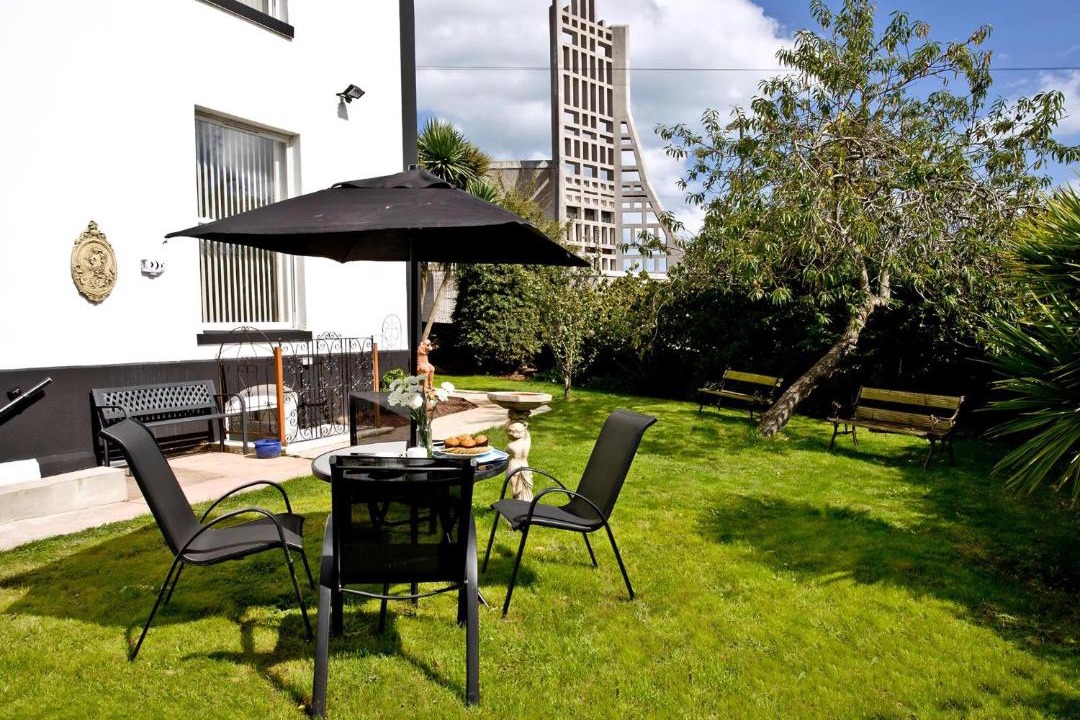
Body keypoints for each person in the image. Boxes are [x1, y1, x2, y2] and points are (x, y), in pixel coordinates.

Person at [506, 421, 533, 501]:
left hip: (514, 465)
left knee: (514, 486)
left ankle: (516, 499)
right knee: (526, 486)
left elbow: (505, 454)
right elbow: (528, 437)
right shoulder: (526, 444)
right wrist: (525, 429)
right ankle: (527, 500)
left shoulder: (510, 446)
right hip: (525, 466)